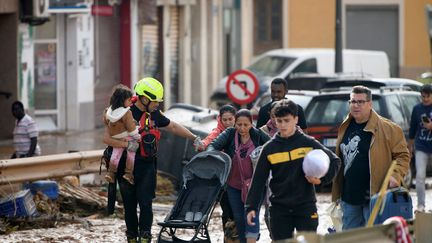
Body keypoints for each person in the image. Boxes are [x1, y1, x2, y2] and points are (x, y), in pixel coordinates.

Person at [103, 77, 202, 243]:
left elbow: (172, 126)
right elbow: (107, 138)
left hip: (147, 164)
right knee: (129, 204)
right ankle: (132, 237)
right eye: (155, 101)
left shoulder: (154, 113)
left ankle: (145, 236)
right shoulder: (122, 112)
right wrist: (126, 145)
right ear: (144, 98)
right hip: (125, 165)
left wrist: (194, 138)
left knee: (146, 202)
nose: (158, 104)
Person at [245, 100, 340, 241]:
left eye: (287, 120)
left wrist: (321, 180)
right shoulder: (269, 148)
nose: (282, 125)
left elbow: (335, 161)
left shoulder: (308, 143)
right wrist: (251, 207)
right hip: (279, 208)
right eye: (279, 121)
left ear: (296, 119)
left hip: (305, 206)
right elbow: (258, 179)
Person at [331, 85, 410, 230]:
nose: (356, 105)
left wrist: (395, 175)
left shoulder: (389, 129)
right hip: (349, 198)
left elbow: (403, 155)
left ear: (370, 104)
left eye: (360, 102)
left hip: (375, 197)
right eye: (352, 101)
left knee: (374, 237)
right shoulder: (345, 126)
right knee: (351, 239)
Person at [207, 109, 270, 243]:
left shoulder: (258, 135)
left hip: (255, 186)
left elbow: (273, 147)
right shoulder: (229, 134)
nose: (242, 128)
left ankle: (251, 238)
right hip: (233, 185)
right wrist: (214, 156)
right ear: (235, 124)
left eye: (245, 125)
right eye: (239, 124)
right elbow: (213, 146)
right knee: (239, 217)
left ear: (251, 124)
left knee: (252, 215)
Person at [196, 104, 237, 239]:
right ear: (220, 119)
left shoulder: (241, 130)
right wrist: (203, 145)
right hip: (223, 179)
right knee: (226, 209)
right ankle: (228, 237)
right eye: (224, 120)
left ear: (234, 118)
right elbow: (209, 141)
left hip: (239, 178)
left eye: (230, 119)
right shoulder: (217, 133)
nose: (227, 123)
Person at [103, 84, 141, 185]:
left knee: (115, 155)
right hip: (127, 137)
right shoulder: (127, 113)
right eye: (129, 100)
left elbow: (106, 123)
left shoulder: (108, 111)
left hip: (116, 138)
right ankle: (128, 174)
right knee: (132, 153)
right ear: (122, 100)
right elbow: (131, 128)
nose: (131, 103)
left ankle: (111, 173)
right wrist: (137, 137)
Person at [408, 84, 432, 213]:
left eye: (428, 96)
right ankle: (421, 205)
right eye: (423, 96)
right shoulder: (417, 109)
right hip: (421, 146)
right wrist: (409, 147)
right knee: (420, 176)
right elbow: (412, 129)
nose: (425, 99)